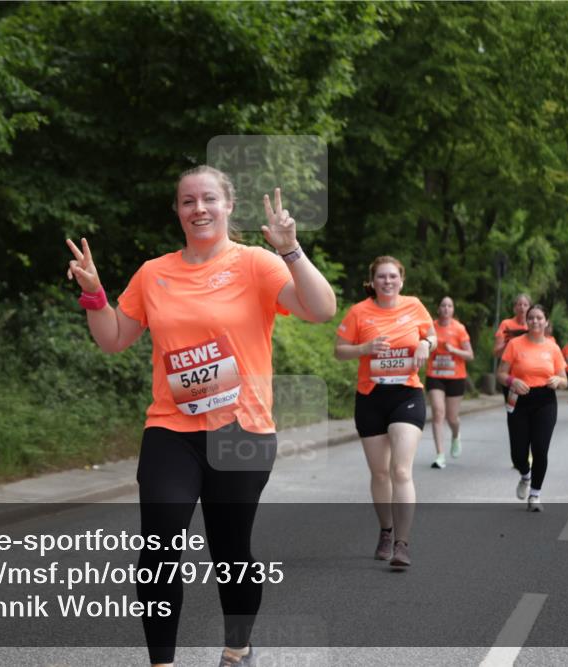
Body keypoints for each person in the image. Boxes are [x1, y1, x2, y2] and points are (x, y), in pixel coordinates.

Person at [66, 166, 335, 667]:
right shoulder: (154, 272)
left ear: (229, 206)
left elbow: (321, 309)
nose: (199, 209)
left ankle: (237, 650)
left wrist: (290, 250)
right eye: (187, 201)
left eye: (208, 199)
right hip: (172, 427)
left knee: (230, 554)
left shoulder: (256, 263)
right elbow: (113, 339)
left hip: (242, 432)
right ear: (177, 211)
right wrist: (94, 294)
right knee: (160, 548)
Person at [335, 256, 436, 568]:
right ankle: (386, 531)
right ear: (374, 281)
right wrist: (364, 349)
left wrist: (424, 345)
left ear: (401, 281)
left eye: (393, 276)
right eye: (382, 277)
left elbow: (432, 336)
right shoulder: (359, 312)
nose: (388, 281)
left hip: (406, 394)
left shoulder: (415, 306)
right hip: (370, 397)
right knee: (380, 472)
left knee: (401, 470)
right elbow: (339, 351)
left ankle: (402, 544)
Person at [495, 304, 568, 512]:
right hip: (519, 398)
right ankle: (525, 475)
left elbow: (564, 380)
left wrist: (557, 380)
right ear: (527, 322)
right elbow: (500, 374)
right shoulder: (515, 345)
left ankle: (535, 495)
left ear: (546, 322)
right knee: (518, 454)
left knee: (540, 449)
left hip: (545, 399)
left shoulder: (553, 347)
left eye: (539, 318)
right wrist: (511, 381)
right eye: (531, 318)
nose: (535, 321)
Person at [425, 296, 474, 469]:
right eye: (443, 305)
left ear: (453, 310)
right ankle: (440, 455)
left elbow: (470, 355)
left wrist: (453, 350)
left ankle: (455, 435)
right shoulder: (431, 326)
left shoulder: (459, 329)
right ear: (438, 309)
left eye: (449, 306)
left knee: (452, 417)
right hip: (435, 375)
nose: (446, 308)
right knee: (438, 412)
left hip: (455, 377)